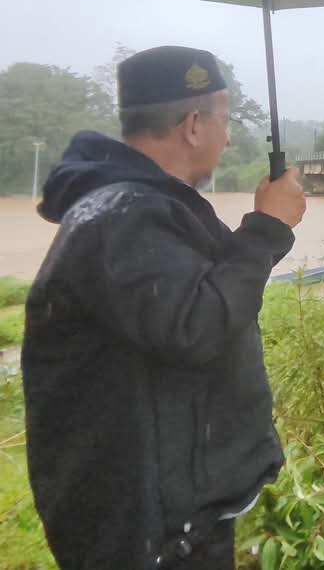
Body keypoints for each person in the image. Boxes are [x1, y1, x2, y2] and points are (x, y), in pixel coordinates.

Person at [22, 46, 307, 570]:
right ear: (194, 124)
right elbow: (196, 326)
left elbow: (199, 291)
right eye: (224, 120)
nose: (228, 136)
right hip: (149, 533)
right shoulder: (124, 216)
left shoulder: (141, 205)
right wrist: (270, 228)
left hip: (165, 515)